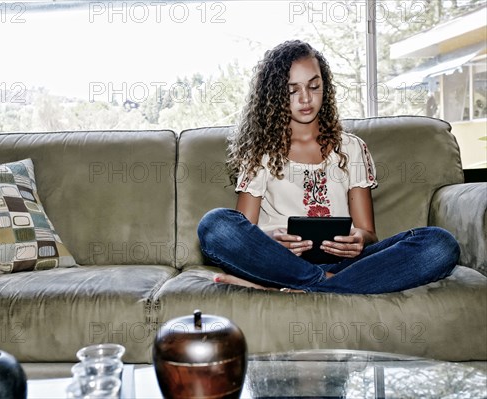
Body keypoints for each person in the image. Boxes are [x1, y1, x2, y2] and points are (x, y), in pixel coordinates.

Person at [196, 40, 460, 294]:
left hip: (345, 264)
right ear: (274, 96)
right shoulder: (261, 152)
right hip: (279, 263)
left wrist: (358, 239)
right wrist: (271, 239)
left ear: (325, 87)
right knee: (214, 224)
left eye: (314, 86)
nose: (305, 98)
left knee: (439, 244)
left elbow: (368, 233)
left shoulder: (351, 148)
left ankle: (303, 286)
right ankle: (325, 284)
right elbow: (243, 229)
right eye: (292, 90)